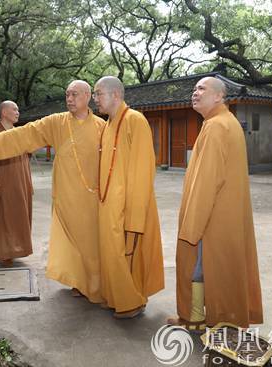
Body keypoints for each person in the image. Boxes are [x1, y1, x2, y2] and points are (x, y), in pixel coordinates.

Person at [0, 81, 105, 304]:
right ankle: (78, 282)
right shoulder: (57, 122)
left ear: (88, 96)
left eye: (74, 94)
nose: (69, 98)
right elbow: (25, 134)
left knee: (93, 242)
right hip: (66, 196)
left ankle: (95, 283)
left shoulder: (102, 127)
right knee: (72, 243)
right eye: (67, 94)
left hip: (94, 196)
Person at [167, 76, 263, 330]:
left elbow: (207, 181)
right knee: (208, 267)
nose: (194, 93)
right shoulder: (224, 122)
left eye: (201, 88)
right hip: (224, 212)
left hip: (213, 215)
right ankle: (199, 318)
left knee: (199, 265)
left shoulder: (216, 126)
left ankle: (198, 319)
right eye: (194, 89)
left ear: (219, 96)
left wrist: (192, 225)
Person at [93, 76, 164, 319]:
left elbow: (144, 168)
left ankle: (132, 302)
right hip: (108, 202)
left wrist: (135, 210)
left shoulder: (135, 119)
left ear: (115, 95)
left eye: (98, 93)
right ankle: (115, 297)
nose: (95, 99)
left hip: (128, 202)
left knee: (127, 253)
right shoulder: (109, 124)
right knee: (111, 253)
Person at [0, 101, 33, 268]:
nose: (18, 112)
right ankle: (6, 253)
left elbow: (26, 158)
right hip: (4, 183)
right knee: (5, 219)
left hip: (21, 182)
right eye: (14, 109)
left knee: (20, 218)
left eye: (18, 109)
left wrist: (28, 182)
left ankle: (17, 249)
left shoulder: (18, 132)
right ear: (4, 112)